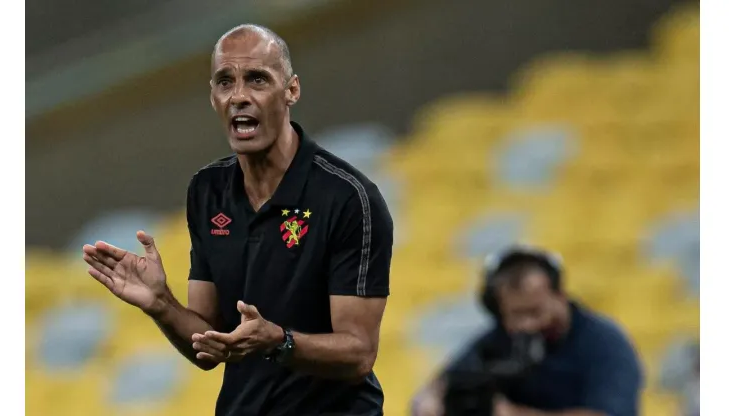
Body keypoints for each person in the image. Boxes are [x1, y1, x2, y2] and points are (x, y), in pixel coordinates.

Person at [82, 24, 393, 416]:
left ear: (291, 90)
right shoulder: (206, 191)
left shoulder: (348, 198)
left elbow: (359, 352)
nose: (239, 96)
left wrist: (277, 341)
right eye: (225, 82)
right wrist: (161, 304)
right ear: (213, 97)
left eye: (257, 80)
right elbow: (209, 345)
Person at [411, 246, 643, 416]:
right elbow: (434, 392)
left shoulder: (605, 343)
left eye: (535, 312)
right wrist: (434, 403)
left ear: (560, 297)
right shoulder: (497, 341)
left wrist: (512, 413)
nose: (527, 325)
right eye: (516, 315)